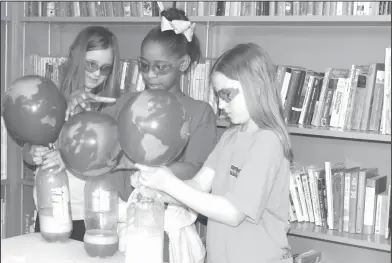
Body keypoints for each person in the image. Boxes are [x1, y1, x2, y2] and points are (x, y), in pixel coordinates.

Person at [65, 8, 217, 261]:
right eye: (144, 66)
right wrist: (80, 110)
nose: (150, 75)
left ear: (183, 64)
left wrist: (134, 165)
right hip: (121, 226)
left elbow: (196, 170)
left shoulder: (200, 112)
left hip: (170, 229)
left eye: (160, 67)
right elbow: (92, 145)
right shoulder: (127, 102)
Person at [132, 43, 295, 263]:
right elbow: (199, 185)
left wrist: (169, 183)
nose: (220, 104)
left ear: (255, 87)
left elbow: (233, 213)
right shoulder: (230, 136)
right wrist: (157, 188)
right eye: (218, 96)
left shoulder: (268, 142)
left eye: (227, 94)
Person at [22, 26, 127, 242]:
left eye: (105, 68)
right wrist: (33, 152)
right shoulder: (51, 99)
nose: (97, 73)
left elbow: (110, 158)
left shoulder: (112, 107)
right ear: (75, 57)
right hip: (50, 209)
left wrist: (67, 157)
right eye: (91, 64)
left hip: (92, 215)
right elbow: (27, 150)